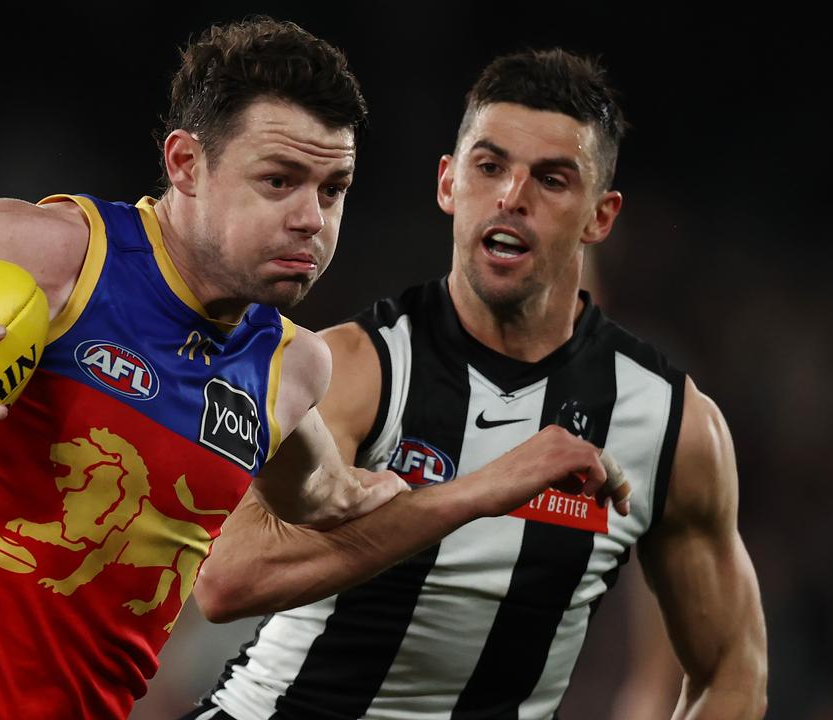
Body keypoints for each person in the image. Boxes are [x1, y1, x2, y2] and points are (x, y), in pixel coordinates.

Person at [0, 19, 626, 720]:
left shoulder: (288, 370)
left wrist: (505, 482)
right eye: (279, 182)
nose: (313, 218)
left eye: (334, 190)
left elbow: (335, 504)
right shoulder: (56, 253)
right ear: (186, 163)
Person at [184, 49, 767, 719]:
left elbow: (731, 670)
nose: (512, 197)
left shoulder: (671, 422)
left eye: (551, 180)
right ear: (449, 184)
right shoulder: (359, 367)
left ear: (600, 218)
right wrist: (479, 492)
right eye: (490, 167)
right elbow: (228, 580)